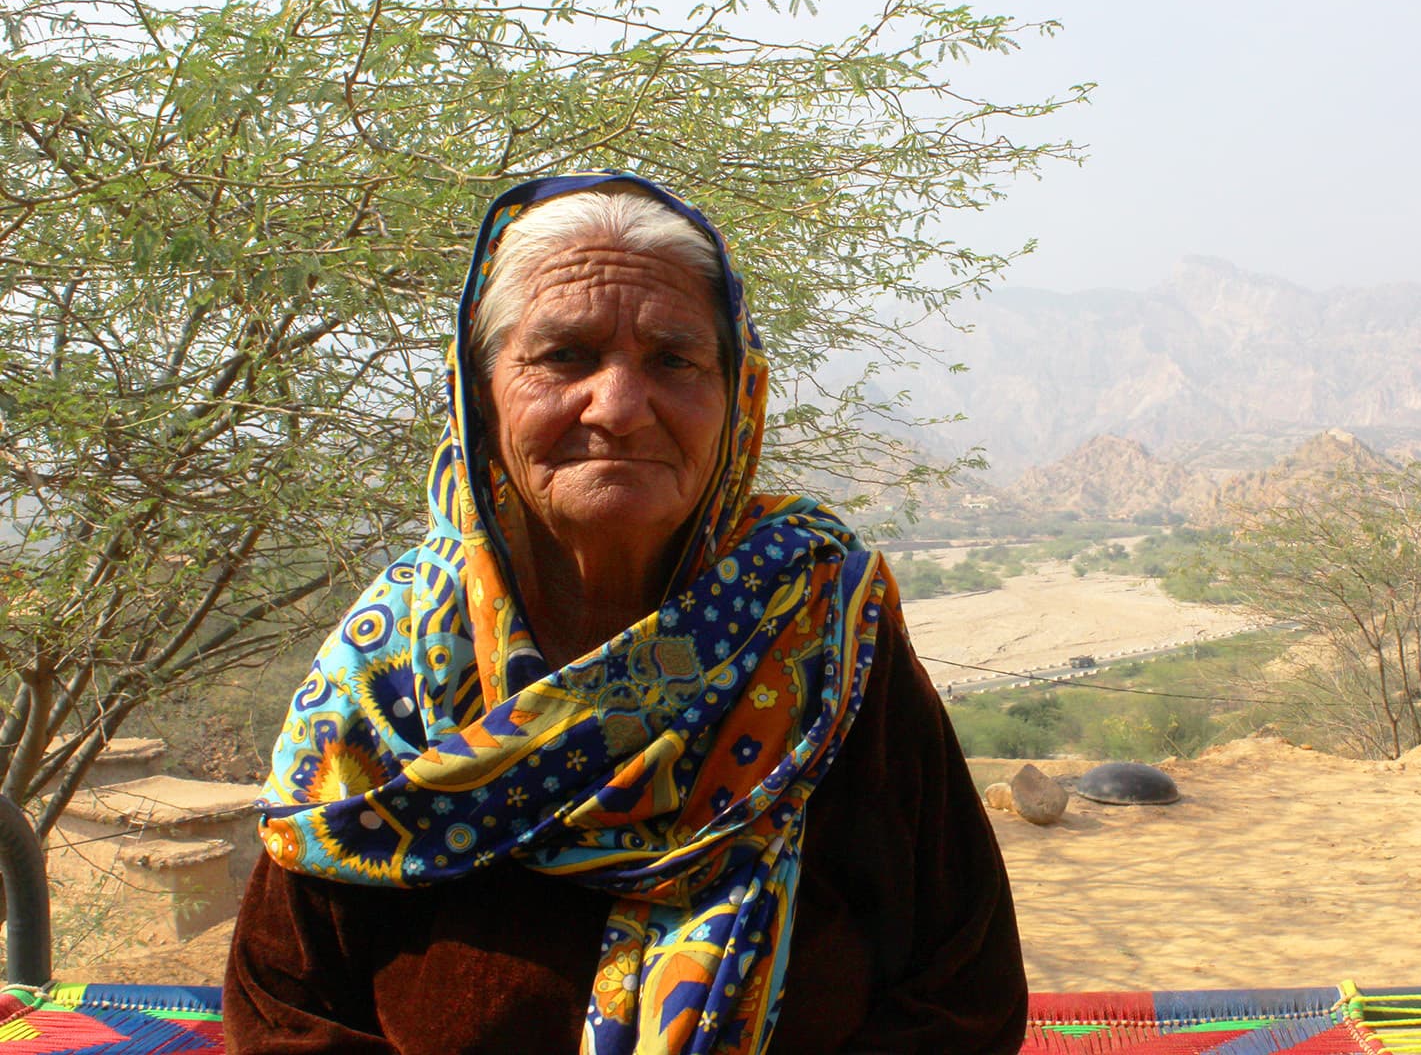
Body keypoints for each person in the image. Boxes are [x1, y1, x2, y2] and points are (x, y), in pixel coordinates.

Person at [222, 173, 1027, 1054]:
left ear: (736, 402)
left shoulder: (823, 634)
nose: (618, 406)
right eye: (564, 356)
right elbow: (283, 1009)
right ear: (482, 398)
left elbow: (962, 995)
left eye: (674, 360)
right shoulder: (389, 673)